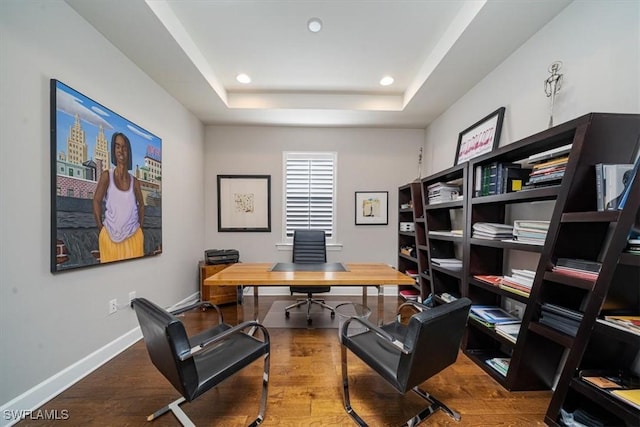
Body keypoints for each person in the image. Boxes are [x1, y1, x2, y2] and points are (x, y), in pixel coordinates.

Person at [93, 132, 145, 263]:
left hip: (133, 236)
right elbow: (96, 201)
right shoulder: (107, 176)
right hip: (110, 238)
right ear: (113, 150)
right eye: (117, 147)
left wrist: (139, 227)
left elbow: (142, 205)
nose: (121, 151)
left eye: (124, 147)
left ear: (129, 151)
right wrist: (100, 227)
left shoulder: (135, 182)